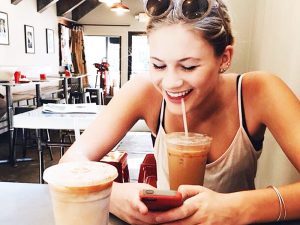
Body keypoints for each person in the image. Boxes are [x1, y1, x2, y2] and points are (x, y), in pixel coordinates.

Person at [60, 0, 300, 224]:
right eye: (158, 65)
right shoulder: (144, 91)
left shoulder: (258, 91)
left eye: (188, 66)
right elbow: (69, 163)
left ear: (224, 58)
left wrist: (236, 208)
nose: (170, 82)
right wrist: (111, 194)